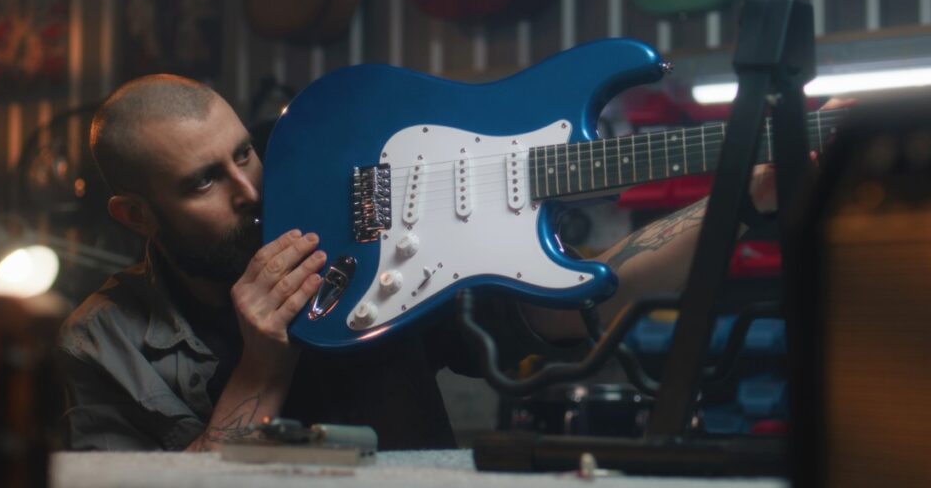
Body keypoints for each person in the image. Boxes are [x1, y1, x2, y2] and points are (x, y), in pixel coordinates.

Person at [57, 74, 789, 451]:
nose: (251, 190)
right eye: (203, 182)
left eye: (244, 151)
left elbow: (578, 303)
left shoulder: (367, 253)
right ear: (136, 215)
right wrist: (262, 368)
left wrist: (742, 201)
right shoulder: (101, 340)